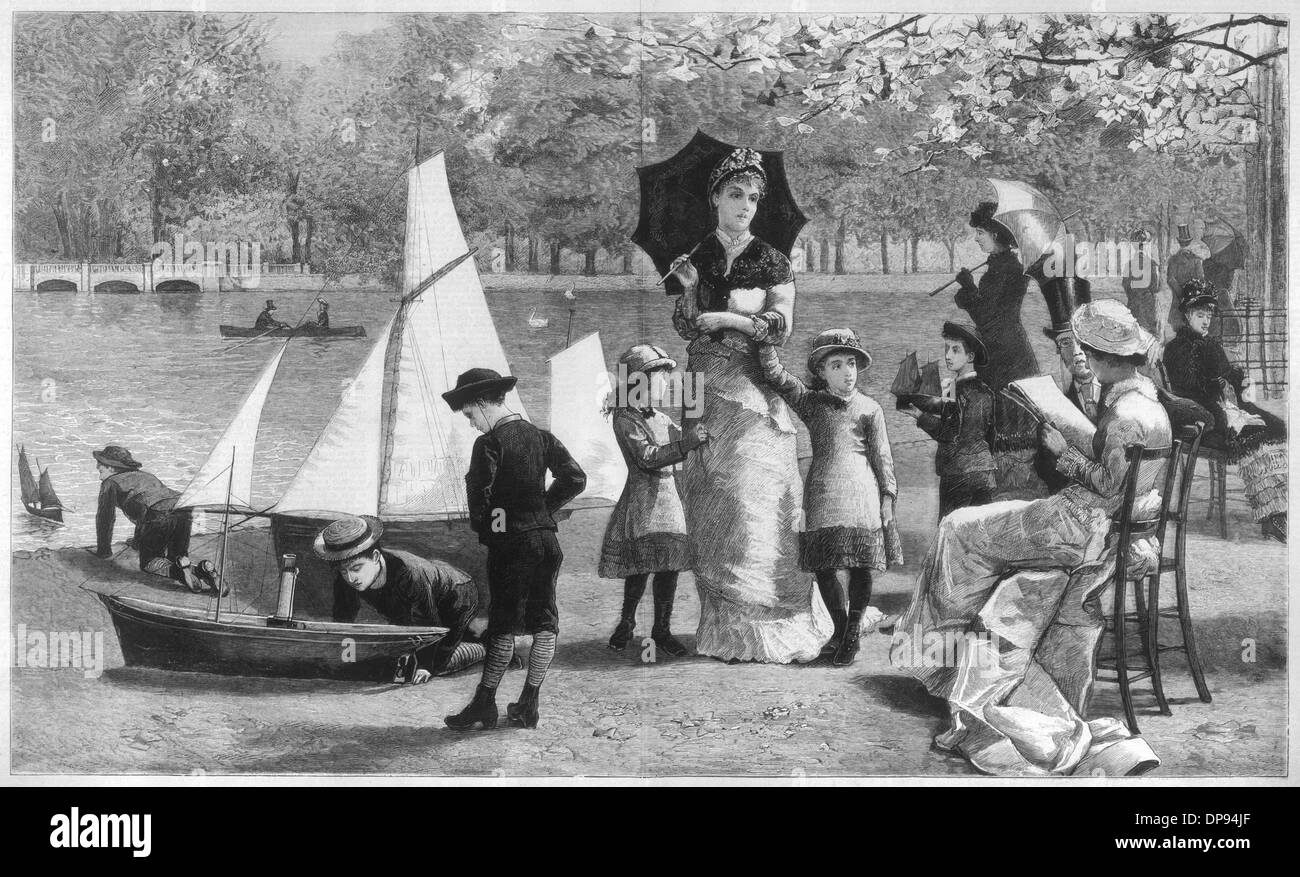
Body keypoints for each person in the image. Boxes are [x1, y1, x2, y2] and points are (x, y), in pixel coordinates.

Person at [890, 300, 1171, 776]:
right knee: (976, 531)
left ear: (1102, 357)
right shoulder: (1148, 402)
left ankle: (941, 662)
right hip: (1093, 524)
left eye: (1087, 354)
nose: (1084, 361)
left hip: (1075, 526)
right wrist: (1081, 432)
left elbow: (1105, 484)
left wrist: (1063, 451)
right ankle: (953, 663)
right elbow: (1120, 472)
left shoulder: (1125, 413)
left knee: (957, 529)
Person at [668, 146, 833, 664]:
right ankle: (722, 627)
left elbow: (779, 326)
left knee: (755, 497)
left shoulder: (771, 258)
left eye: (753, 198)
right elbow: (686, 327)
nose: (744, 206)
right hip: (702, 388)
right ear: (715, 198)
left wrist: (729, 320)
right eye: (735, 195)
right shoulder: (696, 257)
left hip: (752, 390)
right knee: (706, 495)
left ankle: (772, 616)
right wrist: (692, 294)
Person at [441, 368, 586, 730]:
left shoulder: (489, 444)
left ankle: (484, 705)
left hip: (513, 547)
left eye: (471, 415)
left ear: (479, 404)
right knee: (544, 622)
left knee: (502, 626)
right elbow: (576, 478)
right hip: (546, 542)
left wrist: (497, 529)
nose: (472, 424)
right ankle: (528, 704)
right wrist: (540, 511)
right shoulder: (541, 437)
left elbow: (482, 504)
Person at [757, 328, 900, 666]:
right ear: (821, 371)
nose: (847, 372)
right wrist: (765, 343)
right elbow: (777, 376)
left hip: (861, 494)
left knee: (861, 566)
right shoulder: (811, 404)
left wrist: (888, 495)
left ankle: (850, 635)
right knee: (824, 567)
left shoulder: (870, 408)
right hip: (823, 493)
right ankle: (839, 628)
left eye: (851, 363)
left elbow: (882, 456)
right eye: (836, 365)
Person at [600, 344, 706, 657]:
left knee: (668, 568)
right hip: (643, 504)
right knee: (639, 568)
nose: (665, 383)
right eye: (660, 377)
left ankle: (661, 630)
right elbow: (647, 458)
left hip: (670, 503)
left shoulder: (660, 417)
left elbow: (685, 439)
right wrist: (687, 442)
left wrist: (695, 425)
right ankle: (626, 623)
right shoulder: (625, 418)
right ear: (638, 381)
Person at [1163, 280, 1287, 542]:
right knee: (1253, 433)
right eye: (1200, 315)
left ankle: (1278, 512)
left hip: (1226, 408)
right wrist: (1216, 387)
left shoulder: (1212, 345)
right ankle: (1272, 516)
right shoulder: (1176, 349)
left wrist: (1235, 378)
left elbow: (1226, 375)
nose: (1206, 321)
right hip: (1204, 419)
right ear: (1186, 316)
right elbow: (1186, 390)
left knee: (1275, 426)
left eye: (1208, 316)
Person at [317, 515, 489, 681]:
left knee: (437, 665)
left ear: (376, 557)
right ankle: (472, 633)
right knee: (404, 650)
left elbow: (428, 624)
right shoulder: (346, 577)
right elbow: (343, 620)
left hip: (458, 594)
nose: (351, 578)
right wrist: (341, 656)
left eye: (357, 568)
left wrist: (425, 666)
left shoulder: (409, 574)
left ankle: (487, 647)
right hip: (420, 598)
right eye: (343, 571)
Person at [954, 201, 1042, 498]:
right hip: (1004, 348)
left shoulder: (1005, 269)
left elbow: (986, 316)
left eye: (980, 232)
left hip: (1005, 354)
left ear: (996, 234)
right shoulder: (1001, 266)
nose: (976, 237)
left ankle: (1007, 486)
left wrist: (967, 288)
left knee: (1006, 421)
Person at [901, 322, 997, 520]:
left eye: (955, 350)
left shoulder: (957, 390)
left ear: (970, 357)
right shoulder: (986, 391)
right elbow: (990, 434)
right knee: (981, 533)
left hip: (958, 474)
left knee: (950, 532)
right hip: (985, 473)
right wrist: (916, 398)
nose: (948, 356)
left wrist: (919, 416)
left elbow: (948, 433)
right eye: (947, 349)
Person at [94, 445, 214, 593]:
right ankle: (203, 570)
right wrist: (138, 542)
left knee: (150, 563)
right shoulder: (145, 476)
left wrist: (103, 550)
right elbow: (143, 508)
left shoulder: (110, 483)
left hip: (158, 515)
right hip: (183, 510)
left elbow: (105, 518)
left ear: (112, 468)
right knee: (176, 558)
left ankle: (179, 573)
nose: (97, 466)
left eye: (101, 464)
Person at [1121, 228, 1164, 340]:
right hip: (1149, 307)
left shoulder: (1128, 266)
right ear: (1147, 245)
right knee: (1152, 337)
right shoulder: (1153, 265)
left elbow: (1126, 287)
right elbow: (1157, 287)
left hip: (1134, 306)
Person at [1164, 224, 1206, 336]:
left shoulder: (1173, 260)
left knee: (1180, 330)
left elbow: (1171, 279)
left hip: (1180, 300)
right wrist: (1188, 295)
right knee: (1191, 329)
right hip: (1190, 300)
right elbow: (1201, 280)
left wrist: (1182, 294)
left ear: (1179, 243)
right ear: (1189, 243)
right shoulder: (1196, 260)